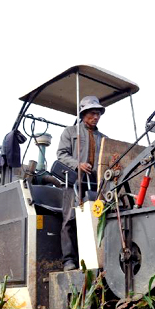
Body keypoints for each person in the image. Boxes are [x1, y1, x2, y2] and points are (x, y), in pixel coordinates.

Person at [56, 96, 106, 271]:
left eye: (98, 113)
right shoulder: (70, 132)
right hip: (74, 181)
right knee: (69, 219)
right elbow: (61, 154)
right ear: (84, 114)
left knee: (99, 218)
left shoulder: (103, 138)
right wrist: (78, 165)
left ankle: (98, 256)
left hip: (96, 183)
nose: (96, 117)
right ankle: (69, 260)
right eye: (93, 113)